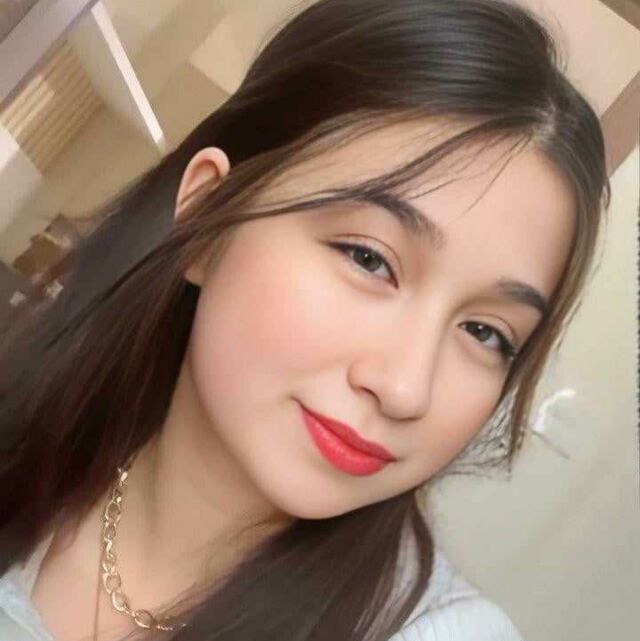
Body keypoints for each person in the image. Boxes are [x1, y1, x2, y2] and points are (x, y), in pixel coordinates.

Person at [0, 0, 610, 639]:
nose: (406, 389)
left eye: (485, 332)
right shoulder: (31, 432)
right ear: (206, 217)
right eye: (369, 259)